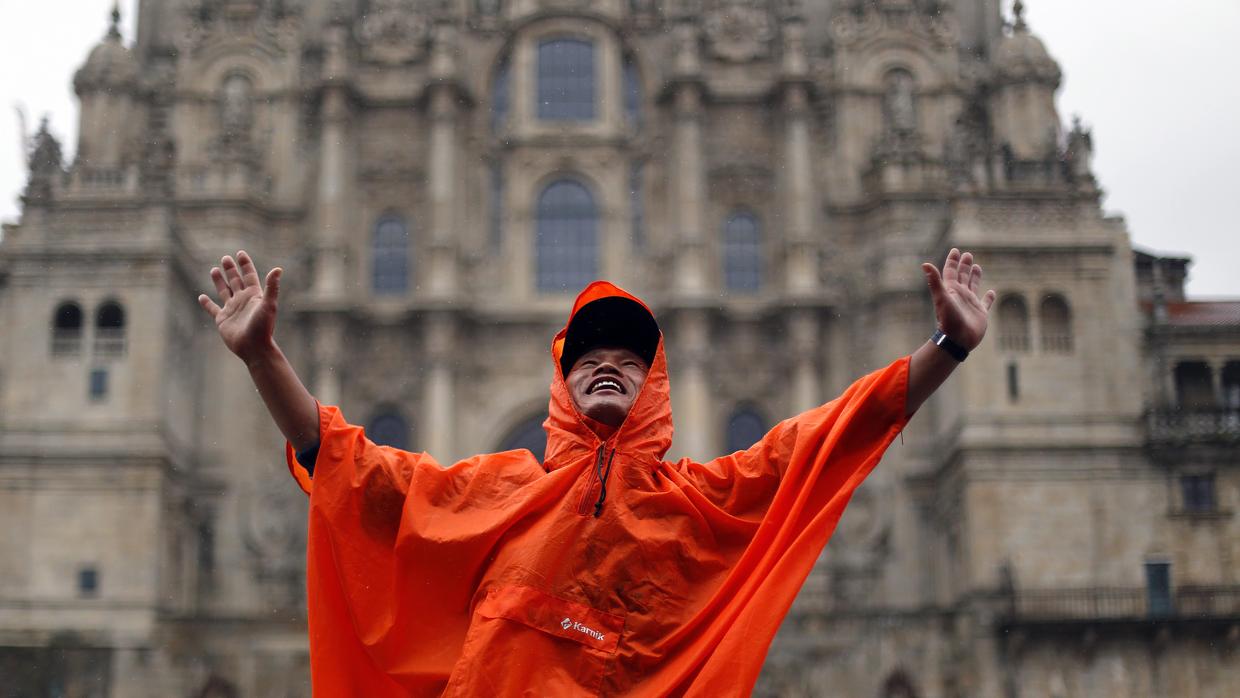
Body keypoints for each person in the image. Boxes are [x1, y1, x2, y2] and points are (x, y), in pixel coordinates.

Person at [197, 248, 995, 696]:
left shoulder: (699, 501)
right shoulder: (496, 489)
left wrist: (948, 349)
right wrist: (264, 357)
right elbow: (348, 466)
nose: (607, 367)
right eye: (588, 358)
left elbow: (832, 435)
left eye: (628, 360)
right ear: (560, 381)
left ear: (656, 387)